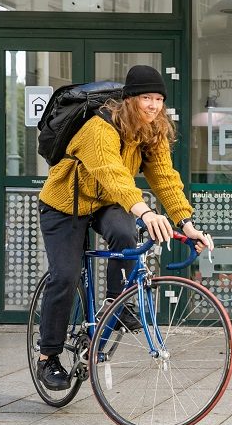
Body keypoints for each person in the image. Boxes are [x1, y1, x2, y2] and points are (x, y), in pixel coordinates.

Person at [36, 65, 214, 391]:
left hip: (107, 203)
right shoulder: (98, 128)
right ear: (129, 99)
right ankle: (48, 356)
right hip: (64, 206)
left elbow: (164, 178)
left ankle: (116, 303)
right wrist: (146, 212)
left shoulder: (152, 130)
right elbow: (112, 174)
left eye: (159, 99)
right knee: (65, 275)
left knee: (126, 233)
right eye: (147, 97)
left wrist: (185, 222)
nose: (153, 105)